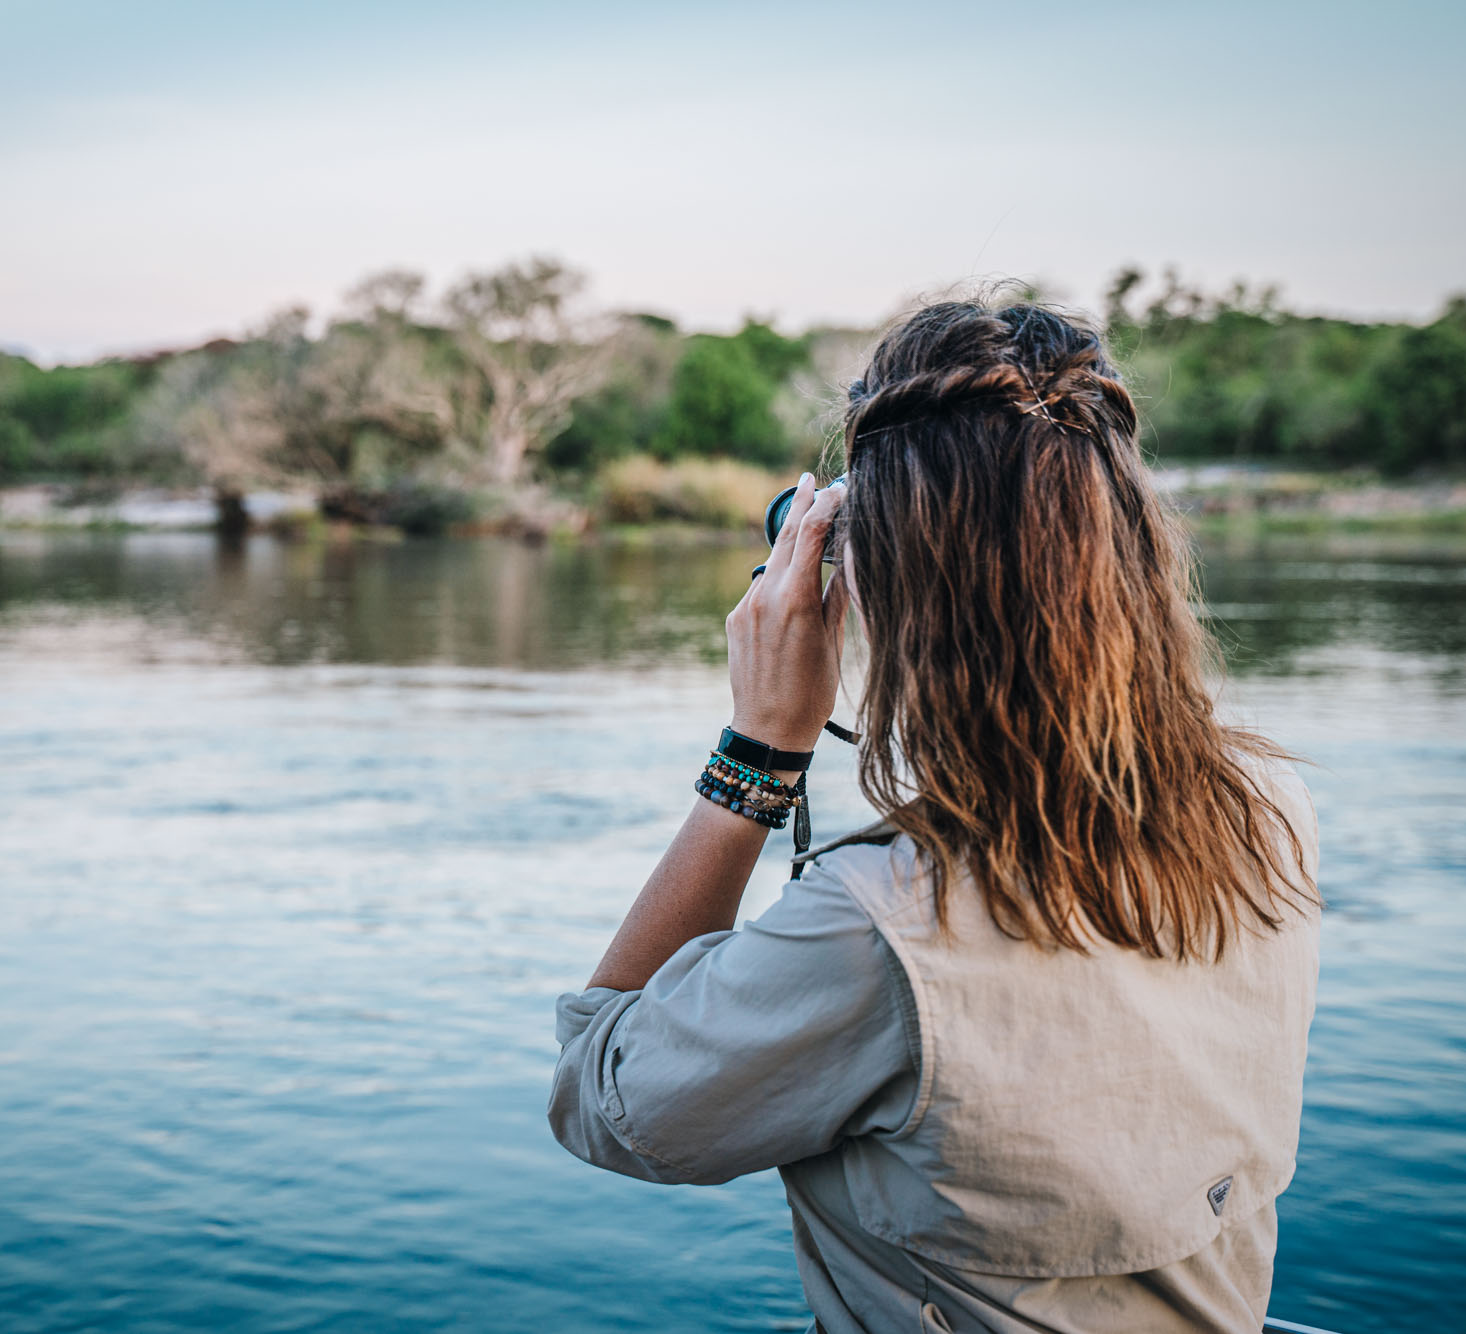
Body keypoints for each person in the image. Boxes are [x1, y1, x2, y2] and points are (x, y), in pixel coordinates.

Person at [547, 299, 1321, 1334]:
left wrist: (758, 754)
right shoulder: (1264, 804)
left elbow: (603, 1097)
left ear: (879, 578)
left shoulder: (883, 921)